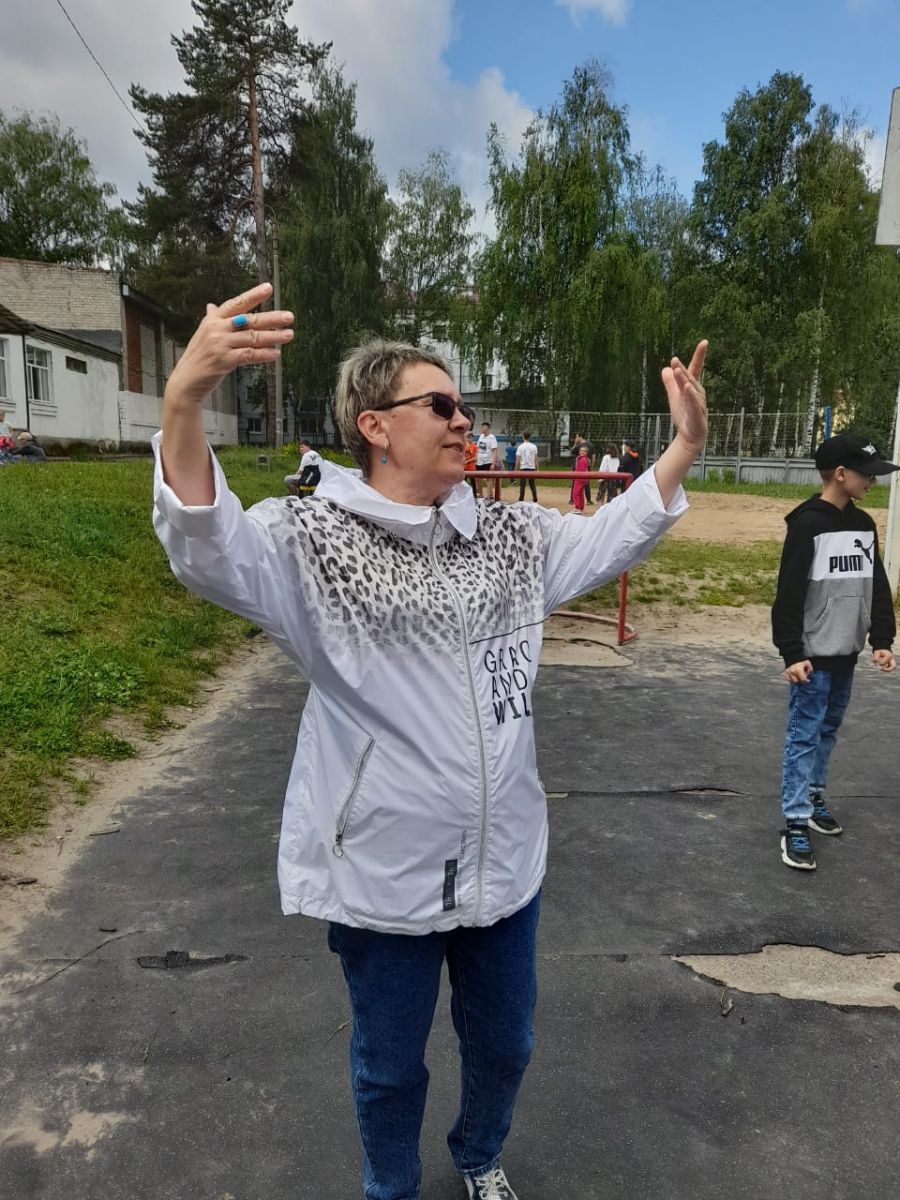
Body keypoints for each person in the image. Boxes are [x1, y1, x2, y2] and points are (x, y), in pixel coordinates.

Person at [151, 280, 708, 1200]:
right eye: (441, 405)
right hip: (385, 879)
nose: (463, 421)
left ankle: (480, 1155)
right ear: (374, 425)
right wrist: (183, 403)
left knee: (506, 1045)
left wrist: (683, 447)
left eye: (465, 407)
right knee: (388, 1067)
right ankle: (391, 1188)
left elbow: (612, 535)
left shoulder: (508, 537)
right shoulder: (310, 542)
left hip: (506, 862)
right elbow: (208, 549)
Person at [772, 433, 898, 871]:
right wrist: (791, 652)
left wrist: (882, 640)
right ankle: (795, 821)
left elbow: (876, 586)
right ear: (841, 474)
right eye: (867, 475)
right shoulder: (807, 526)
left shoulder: (864, 525)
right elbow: (788, 596)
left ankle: (812, 796)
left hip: (846, 653)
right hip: (812, 657)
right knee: (804, 736)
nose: (873, 482)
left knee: (827, 730)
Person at [475, 420, 499, 497]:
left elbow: (494, 451)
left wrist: (493, 463)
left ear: (488, 428)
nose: (482, 429)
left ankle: (489, 495)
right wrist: (476, 458)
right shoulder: (481, 436)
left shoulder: (492, 437)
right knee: (478, 478)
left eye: (484, 428)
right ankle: (481, 494)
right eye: (482, 427)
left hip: (488, 461)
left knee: (489, 479)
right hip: (479, 461)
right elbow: (477, 448)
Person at [514, 432, 539, 502]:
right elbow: (536, 458)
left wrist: (515, 469)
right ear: (529, 437)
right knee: (532, 484)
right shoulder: (534, 446)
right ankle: (535, 498)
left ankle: (521, 499)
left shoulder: (520, 447)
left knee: (522, 484)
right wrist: (537, 468)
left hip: (523, 468)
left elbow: (517, 459)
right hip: (531, 468)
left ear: (523, 437)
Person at [571, 442, 591, 513]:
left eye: (584, 451)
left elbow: (581, 470)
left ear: (586, 453)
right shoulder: (581, 458)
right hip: (581, 479)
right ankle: (580, 507)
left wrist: (577, 477)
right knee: (580, 494)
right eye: (581, 450)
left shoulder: (582, 459)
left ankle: (577, 507)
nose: (582, 452)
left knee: (575, 493)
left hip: (579, 479)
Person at [463, 432, 478, 497]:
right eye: (468, 437)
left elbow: (476, 458)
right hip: (465, 466)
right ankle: (463, 495)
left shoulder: (475, 447)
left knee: (473, 481)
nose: (469, 439)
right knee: (463, 482)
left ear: (472, 438)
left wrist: (468, 461)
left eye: (471, 438)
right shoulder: (464, 446)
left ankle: (474, 494)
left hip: (471, 467)